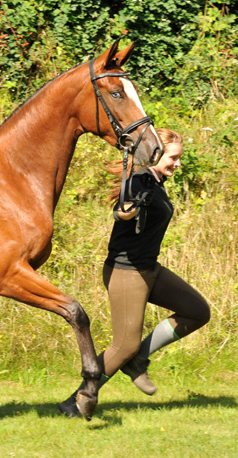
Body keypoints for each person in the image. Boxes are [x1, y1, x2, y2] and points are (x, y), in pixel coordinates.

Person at [58, 128, 211, 417]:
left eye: (179, 158)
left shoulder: (156, 181)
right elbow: (125, 206)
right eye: (174, 158)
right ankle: (77, 401)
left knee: (196, 311)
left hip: (148, 269)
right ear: (157, 154)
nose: (178, 164)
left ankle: (137, 360)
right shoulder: (140, 180)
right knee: (123, 345)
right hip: (125, 271)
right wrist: (125, 212)